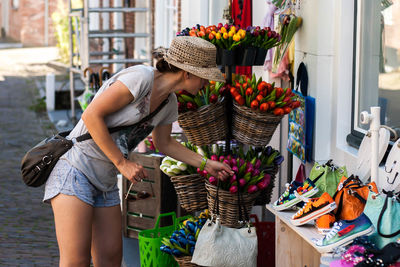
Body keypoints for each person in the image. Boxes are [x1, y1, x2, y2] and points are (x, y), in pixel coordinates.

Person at [43, 36, 233, 267]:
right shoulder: (140, 78)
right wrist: (122, 164)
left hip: (104, 180)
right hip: (75, 169)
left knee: (110, 259)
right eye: (205, 77)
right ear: (188, 73)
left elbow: (165, 144)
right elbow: (91, 116)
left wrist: (205, 164)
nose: (206, 84)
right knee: (76, 260)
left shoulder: (169, 104)